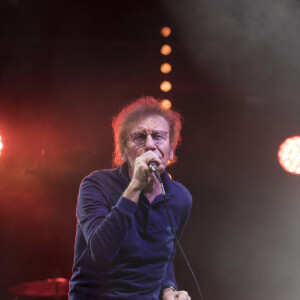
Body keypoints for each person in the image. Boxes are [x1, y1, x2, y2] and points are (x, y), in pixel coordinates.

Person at [69, 96, 192, 300]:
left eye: (159, 136)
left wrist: (169, 288)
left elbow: (165, 258)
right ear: (123, 151)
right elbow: (100, 252)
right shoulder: (95, 185)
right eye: (139, 137)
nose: (150, 145)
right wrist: (135, 187)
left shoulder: (181, 198)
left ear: (171, 150)